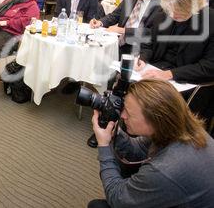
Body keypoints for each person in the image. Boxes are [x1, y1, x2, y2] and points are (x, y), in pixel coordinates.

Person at [88, 79, 214, 208]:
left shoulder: (164, 169)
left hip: (173, 184)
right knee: (124, 166)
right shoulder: (179, 127)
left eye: (129, 114)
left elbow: (116, 198)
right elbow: (137, 150)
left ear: (155, 119)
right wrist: (115, 132)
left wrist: (103, 146)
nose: (122, 116)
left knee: (97, 206)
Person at [135, 0, 214, 123]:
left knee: (152, 104)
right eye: (171, 10)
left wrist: (169, 74)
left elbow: (209, 66)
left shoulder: (210, 21)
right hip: (157, 69)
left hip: (187, 80)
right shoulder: (165, 12)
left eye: (180, 12)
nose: (173, 15)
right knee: (126, 84)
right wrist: (143, 58)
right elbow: (149, 42)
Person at [89, 0, 164, 55]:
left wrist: (123, 30)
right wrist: (100, 22)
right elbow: (116, 15)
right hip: (119, 43)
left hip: (141, 49)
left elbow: (151, 32)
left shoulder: (161, 4)